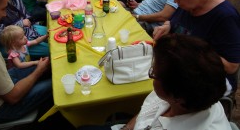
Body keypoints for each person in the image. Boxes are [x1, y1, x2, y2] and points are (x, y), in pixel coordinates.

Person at [78, 34, 231, 130]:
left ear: (177, 97)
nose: (150, 72)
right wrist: (127, 127)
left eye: (153, 73)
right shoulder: (196, 91)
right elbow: (147, 110)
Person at [153, 0, 240, 93]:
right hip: (182, 67)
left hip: (211, 80)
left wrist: (190, 52)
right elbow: (173, 21)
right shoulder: (189, 5)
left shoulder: (225, 16)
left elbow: (232, 66)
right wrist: (166, 26)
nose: (175, 1)